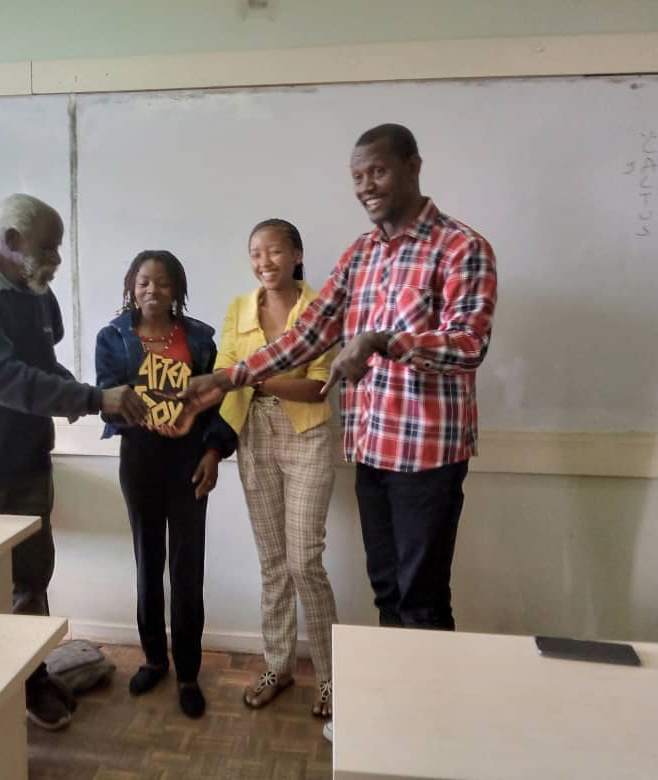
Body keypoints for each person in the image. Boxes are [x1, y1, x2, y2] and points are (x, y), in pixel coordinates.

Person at [182, 122, 497, 636]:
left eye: (378, 170)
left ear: (413, 167)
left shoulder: (462, 247)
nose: (366, 185)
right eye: (357, 176)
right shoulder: (361, 254)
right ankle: (389, 711)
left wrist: (381, 342)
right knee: (387, 592)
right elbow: (305, 336)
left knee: (423, 601)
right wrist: (227, 377)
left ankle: (428, 714)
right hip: (371, 449)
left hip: (427, 458)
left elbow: (469, 344)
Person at [0, 193, 146, 731]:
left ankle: (30, 678)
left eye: (59, 246)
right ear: (11, 242)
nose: (58, 258)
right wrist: (92, 400)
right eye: (49, 247)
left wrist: (101, 395)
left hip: (25, 467)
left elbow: (42, 366)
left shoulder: (37, 294)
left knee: (30, 581)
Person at [95, 250, 236, 719]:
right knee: (147, 562)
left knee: (186, 568)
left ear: (177, 289)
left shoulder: (200, 339)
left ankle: (189, 673)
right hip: (140, 459)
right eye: (142, 283)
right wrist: (136, 405)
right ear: (130, 289)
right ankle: (155, 659)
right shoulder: (112, 338)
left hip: (189, 461)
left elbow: (220, 405)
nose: (152, 291)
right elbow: (106, 397)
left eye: (162, 283)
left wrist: (213, 452)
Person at [216, 218, 339, 718]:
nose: (264, 262)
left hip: (306, 433)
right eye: (255, 253)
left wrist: (257, 378)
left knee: (304, 560)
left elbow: (320, 386)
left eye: (273, 251)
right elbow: (227, 371)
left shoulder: (321, 309)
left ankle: (333, 677)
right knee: (272, 561)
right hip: (254, 436)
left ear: (297, 255)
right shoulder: (238, 309)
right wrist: (261, 379)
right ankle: (279, 664)